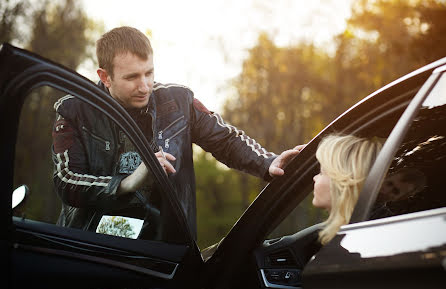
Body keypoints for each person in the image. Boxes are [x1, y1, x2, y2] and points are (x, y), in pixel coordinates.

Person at [52, 26, 304, 240]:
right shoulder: (73, 110)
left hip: (165, 251)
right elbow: (66, 180)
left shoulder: (179, 102)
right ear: (104, 76)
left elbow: (226, 140)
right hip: (91, 249)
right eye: (132, 77)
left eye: (149, 73)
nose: (144, 86)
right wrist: (127, 183)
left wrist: (268, 162)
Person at [312, 134, 383, 245]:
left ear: (341, 181)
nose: (314, 178)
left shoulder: (351, 243)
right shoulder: (365, 233)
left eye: (322, 172)